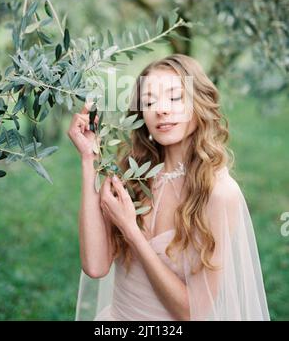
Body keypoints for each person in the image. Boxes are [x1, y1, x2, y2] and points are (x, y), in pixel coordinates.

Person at [68, 54, 270, 321]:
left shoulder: (219, 194)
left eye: (175, 98)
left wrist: (131, 231)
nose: (161, 109)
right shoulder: (133, 174)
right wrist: (89, 158)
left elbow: (191, 312)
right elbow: (95, 266)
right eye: (150, 101)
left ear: (199, 104)